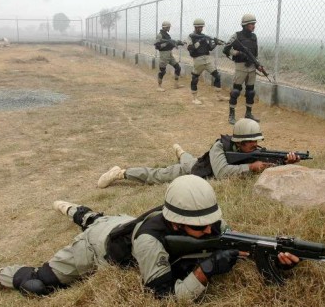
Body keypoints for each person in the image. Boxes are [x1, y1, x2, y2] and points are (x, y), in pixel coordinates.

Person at [0, 175, 300, 301]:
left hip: (120, 222)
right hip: (98, 247)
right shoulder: (150, 242)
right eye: (201, 229)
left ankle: (73, 209)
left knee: (97, 218)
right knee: (42, 285)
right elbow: (164, 297)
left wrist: (273, 256)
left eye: (212, 224)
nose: (211, 232)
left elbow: (226, 240)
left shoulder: (200, 222)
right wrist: (205, 271)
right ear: (176, 223)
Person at [97, 118, 300, 188]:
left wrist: (286, 162)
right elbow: (221, 173)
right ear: (239, 142)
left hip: (198, 162)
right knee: (159, 175)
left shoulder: (254, 150)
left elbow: (267, 163)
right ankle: (121, 172)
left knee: (187, 157)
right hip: (196, 171)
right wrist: (250, 167)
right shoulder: (219, 147)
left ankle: (181, 151)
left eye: (257, 141)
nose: (255, 145)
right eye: (250, 142)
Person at [223, 14, 261, 125]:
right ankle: (231, 115)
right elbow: (226, 49)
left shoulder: (254, 37)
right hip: (240, 67)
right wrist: (237, 53)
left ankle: (248, 113)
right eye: (251, 24)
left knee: (250, 92)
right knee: (235, 92)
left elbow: (255, 53)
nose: (254, 26)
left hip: (252, 67)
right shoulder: (236, 36)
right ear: (245, 25)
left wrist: (257, 64)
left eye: (254, 24)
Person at [186, 18, 227, 105]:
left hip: (207, 59)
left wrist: (216, 43)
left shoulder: (204, 36)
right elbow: (190, 49)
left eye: (201, 27)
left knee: (217, 76)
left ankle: (218, 96)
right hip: (198, 59)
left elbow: (210, 48)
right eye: (199, 27)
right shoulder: (191, 37)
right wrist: (199, 42)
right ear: (195, 27)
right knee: (195, 78)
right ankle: (194, 98)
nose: (200, 29)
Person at [154, 21, 185, 92]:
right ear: (166, 27)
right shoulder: (160, 35)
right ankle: (159, 86)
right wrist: (166, 43)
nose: (169, 28)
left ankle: (176, 84)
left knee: (178, 67)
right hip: (164, 54)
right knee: (162, 71)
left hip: (169, 54)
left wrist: (178, 43)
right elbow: (157, 46)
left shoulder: (167, 35)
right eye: (168, 27)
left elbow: (170, 44)